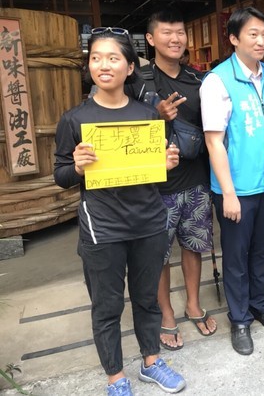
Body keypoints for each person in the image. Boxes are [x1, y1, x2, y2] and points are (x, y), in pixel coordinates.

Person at [54, 27, 185, 395]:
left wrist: (167, 162)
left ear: (130, 68)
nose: (103, 65)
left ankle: (150, 361)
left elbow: (153, 172)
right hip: (102, 229)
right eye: (96, 58)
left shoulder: (148, 115)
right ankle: (115, 376)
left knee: (146, 298)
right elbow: (61, 175)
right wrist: (77, 167)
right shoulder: (75, 120)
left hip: (147, 222)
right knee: (107, 305)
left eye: (113, 58)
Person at [126, 9, 217, 351]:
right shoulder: (137, 82)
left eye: (180, 32)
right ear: (150, 39)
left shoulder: (198, 80)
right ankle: (166, 312)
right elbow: (124, 130)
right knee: (159, 255)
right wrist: (155, 115)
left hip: (195, 182)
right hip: (155, 188)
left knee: (195, 247)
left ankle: (192, 303)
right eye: (166, 32)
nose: (175, 39)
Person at [200, 7, 264, 355]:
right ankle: (239, 319)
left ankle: (261, 305)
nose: (261, 41)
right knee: (237, 255)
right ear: (234, 39)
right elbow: (213, 141)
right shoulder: (218, 81)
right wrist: (229, 194)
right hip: (237, 190)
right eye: (252, 34)